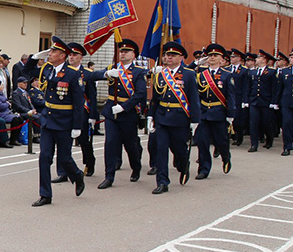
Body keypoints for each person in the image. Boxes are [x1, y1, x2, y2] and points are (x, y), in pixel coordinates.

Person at [32, 37, 85, 206]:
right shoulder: (48, 70)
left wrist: (77, 126)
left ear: (63, 55)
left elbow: (78, 104)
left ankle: (77, 175)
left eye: (54, 51)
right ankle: (45, 194)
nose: (50, 54)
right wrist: (34, 58)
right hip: (48, 120)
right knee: (44, 157)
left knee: (64, 159)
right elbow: (27, 72)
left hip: (64, 122)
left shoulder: (73, 74)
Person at [90, 39, 147, 189]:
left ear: (134, 55)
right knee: (110, 143)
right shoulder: (113, 68)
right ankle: (109, 176)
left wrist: (124, 107)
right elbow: (92, 76)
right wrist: (107, 73)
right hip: (111, 112)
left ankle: (136, 166)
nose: (122, 54)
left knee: (130, 144)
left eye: (126, 51)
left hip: (127, 113)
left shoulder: (139, 72)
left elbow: (141, 93)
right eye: (121, 51)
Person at [147, 41, 200, 194]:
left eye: (173, 55)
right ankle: (163, 181)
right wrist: (150, 116)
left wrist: (195, 121)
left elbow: (194, 99)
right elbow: (155, 99)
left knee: (179, 150)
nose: (169, 58)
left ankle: (183, 166)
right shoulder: (160, 75)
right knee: (161, 149)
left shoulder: (189, 75)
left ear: (181, 57)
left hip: (180, 119)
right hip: (162, 117)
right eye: (167, 55)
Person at [193, 43, 235, 179]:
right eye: (210, 55)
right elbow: (196, 95)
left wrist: (230, 115)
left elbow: (230, 97)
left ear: (221, 59)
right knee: (202, 142)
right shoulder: (201, 74)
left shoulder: (227, 76)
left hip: (219, 113)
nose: (212, 57)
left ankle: (226, 157)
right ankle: (204, 169)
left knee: (221, 141)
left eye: (215, 55)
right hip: (204, 113)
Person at [66, 42, 97, 178]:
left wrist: (93, 115)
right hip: (66, 111)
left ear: (81, 57)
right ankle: (64, 170)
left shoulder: (87, 74)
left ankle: (89, 162)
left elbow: (93, 96)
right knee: (65, 141)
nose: (71, 57)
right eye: (70, 54)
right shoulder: (64, 71)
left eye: (75, 55)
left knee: (84, 140)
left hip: (83, 111)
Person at [247, 50, 279, 152]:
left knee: (266, 122)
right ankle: (254, 144)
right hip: (254, 101)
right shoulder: (252, 72)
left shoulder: (271, 72)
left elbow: (274, 88)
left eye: (258, 58)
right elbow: (248, 87)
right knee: (253, 123)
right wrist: (247, 100)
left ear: (264, 60)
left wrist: (274, 101)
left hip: (266, 101)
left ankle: (269, 139)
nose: (256, 59)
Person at [0, 78, 23, 147]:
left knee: (20, 119)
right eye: (1, 85)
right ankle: (10, 140)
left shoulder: (1, 94)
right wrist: (7, 104)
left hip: (6, 112)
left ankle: (14, 138)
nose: (3, 87)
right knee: (15, 120)